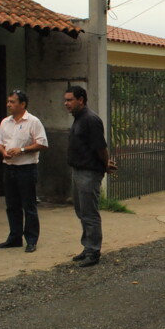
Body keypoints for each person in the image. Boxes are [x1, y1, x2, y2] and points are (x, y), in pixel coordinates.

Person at [63, 86, 117, 267]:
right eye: (65, 100)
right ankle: (87, 247)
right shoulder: (79, 119)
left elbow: (100, 147)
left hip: (89, 172)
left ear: (81, 100)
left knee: (89, 212)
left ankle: (93, 251)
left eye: (70, 100)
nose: (66, 103)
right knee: (81, 211)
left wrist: (105, 164)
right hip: (78, 170)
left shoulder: (90, 119)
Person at [0, 90, 48, 253]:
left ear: (22, 104)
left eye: (12, 102)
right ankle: (14, 237)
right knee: (12, 205)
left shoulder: (33, 121)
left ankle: (31, 239)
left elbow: (42, 143)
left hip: (26, 168)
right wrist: (3, 151)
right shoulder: (5, 122)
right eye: (8, 101)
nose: (9, 105)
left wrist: (22, 150)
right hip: (9, 167)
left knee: (28, 205)